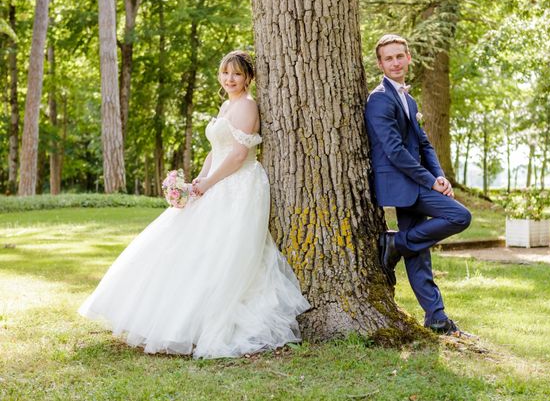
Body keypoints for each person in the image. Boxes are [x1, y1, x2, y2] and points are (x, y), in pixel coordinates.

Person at [79, 50, 310, 358]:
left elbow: (239, 154)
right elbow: (216, 150)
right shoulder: (227, 104)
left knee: (226, 250)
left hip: (239, 185)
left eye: (237, 74)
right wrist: (195, 183)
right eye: (225, 73)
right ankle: (176, 318)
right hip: (218, 180)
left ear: (248, 78)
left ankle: (211, 320)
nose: (230, 79)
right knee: (189, 243)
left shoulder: (247, 106)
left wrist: (209, 183)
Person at [364, 35, 472, 336]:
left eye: (400, 56)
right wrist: (429, 182)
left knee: (419, 248)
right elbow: (394, 150)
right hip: (400, 183)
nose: (396, 62)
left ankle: (436, 317)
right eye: (389, 58)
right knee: (460, 216)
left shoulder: (408, 99)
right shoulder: (379, 99)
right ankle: (395, 243)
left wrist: (439, 176)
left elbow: (423, 144)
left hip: (417, 180)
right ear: (380, 64)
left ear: (408, 58)